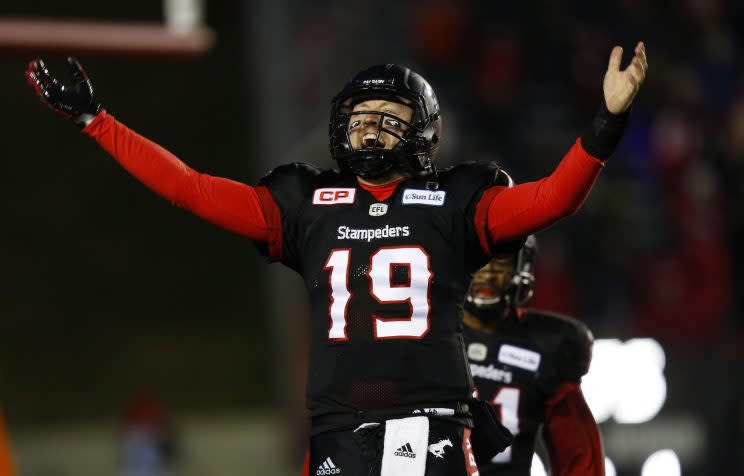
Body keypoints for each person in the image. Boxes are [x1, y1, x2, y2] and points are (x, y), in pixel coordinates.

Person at [25, 42, 646, 476]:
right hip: (340, 431)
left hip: (430, 423)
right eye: (361, 118)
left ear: (423, 131)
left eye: (389, 116)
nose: (371, 129)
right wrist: (95, 120)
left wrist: (608, 119)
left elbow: (556, 198)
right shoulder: (306, 203)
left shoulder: (455, 200)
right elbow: (188, 187)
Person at [463, 236, 604, 476]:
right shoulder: (427, 331)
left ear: (520, 266)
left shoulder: (550, 343)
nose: (489, 274)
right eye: (481, 263)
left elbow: (578, 457)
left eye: (501, 263)